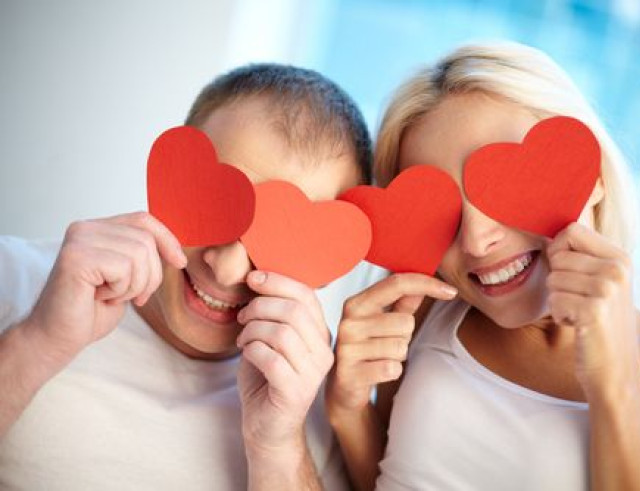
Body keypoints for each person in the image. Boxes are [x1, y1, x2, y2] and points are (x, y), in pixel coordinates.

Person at [325, 43, 640, 490]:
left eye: (504, 185)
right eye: (438, 209)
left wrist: (613, 375)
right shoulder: (421, 316)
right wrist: (348, 411)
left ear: (589, 174)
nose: (477, 241)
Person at [0, 63, 372, 490]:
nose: (227, 266)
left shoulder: (319, 408)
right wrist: (37, 345)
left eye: (281, 237)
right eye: (216, 202)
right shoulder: (12, 277)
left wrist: (277, 446)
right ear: (170, 177)